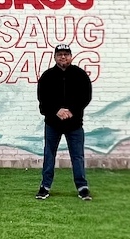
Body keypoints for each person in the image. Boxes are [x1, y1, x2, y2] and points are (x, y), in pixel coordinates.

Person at [35, 44, 93, 201]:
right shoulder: (47, 76)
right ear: (55, 57)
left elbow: (86, 96)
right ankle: (45, 187)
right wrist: (56, 111)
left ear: (71, 57)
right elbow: (42, 99)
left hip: (74, 124)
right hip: (53, 124)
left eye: (66, 54)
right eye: (60, 54)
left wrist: (71, 110)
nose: (63, 57)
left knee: (77, 156)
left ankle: (82, 187)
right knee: (49, 154)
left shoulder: (80, 75)